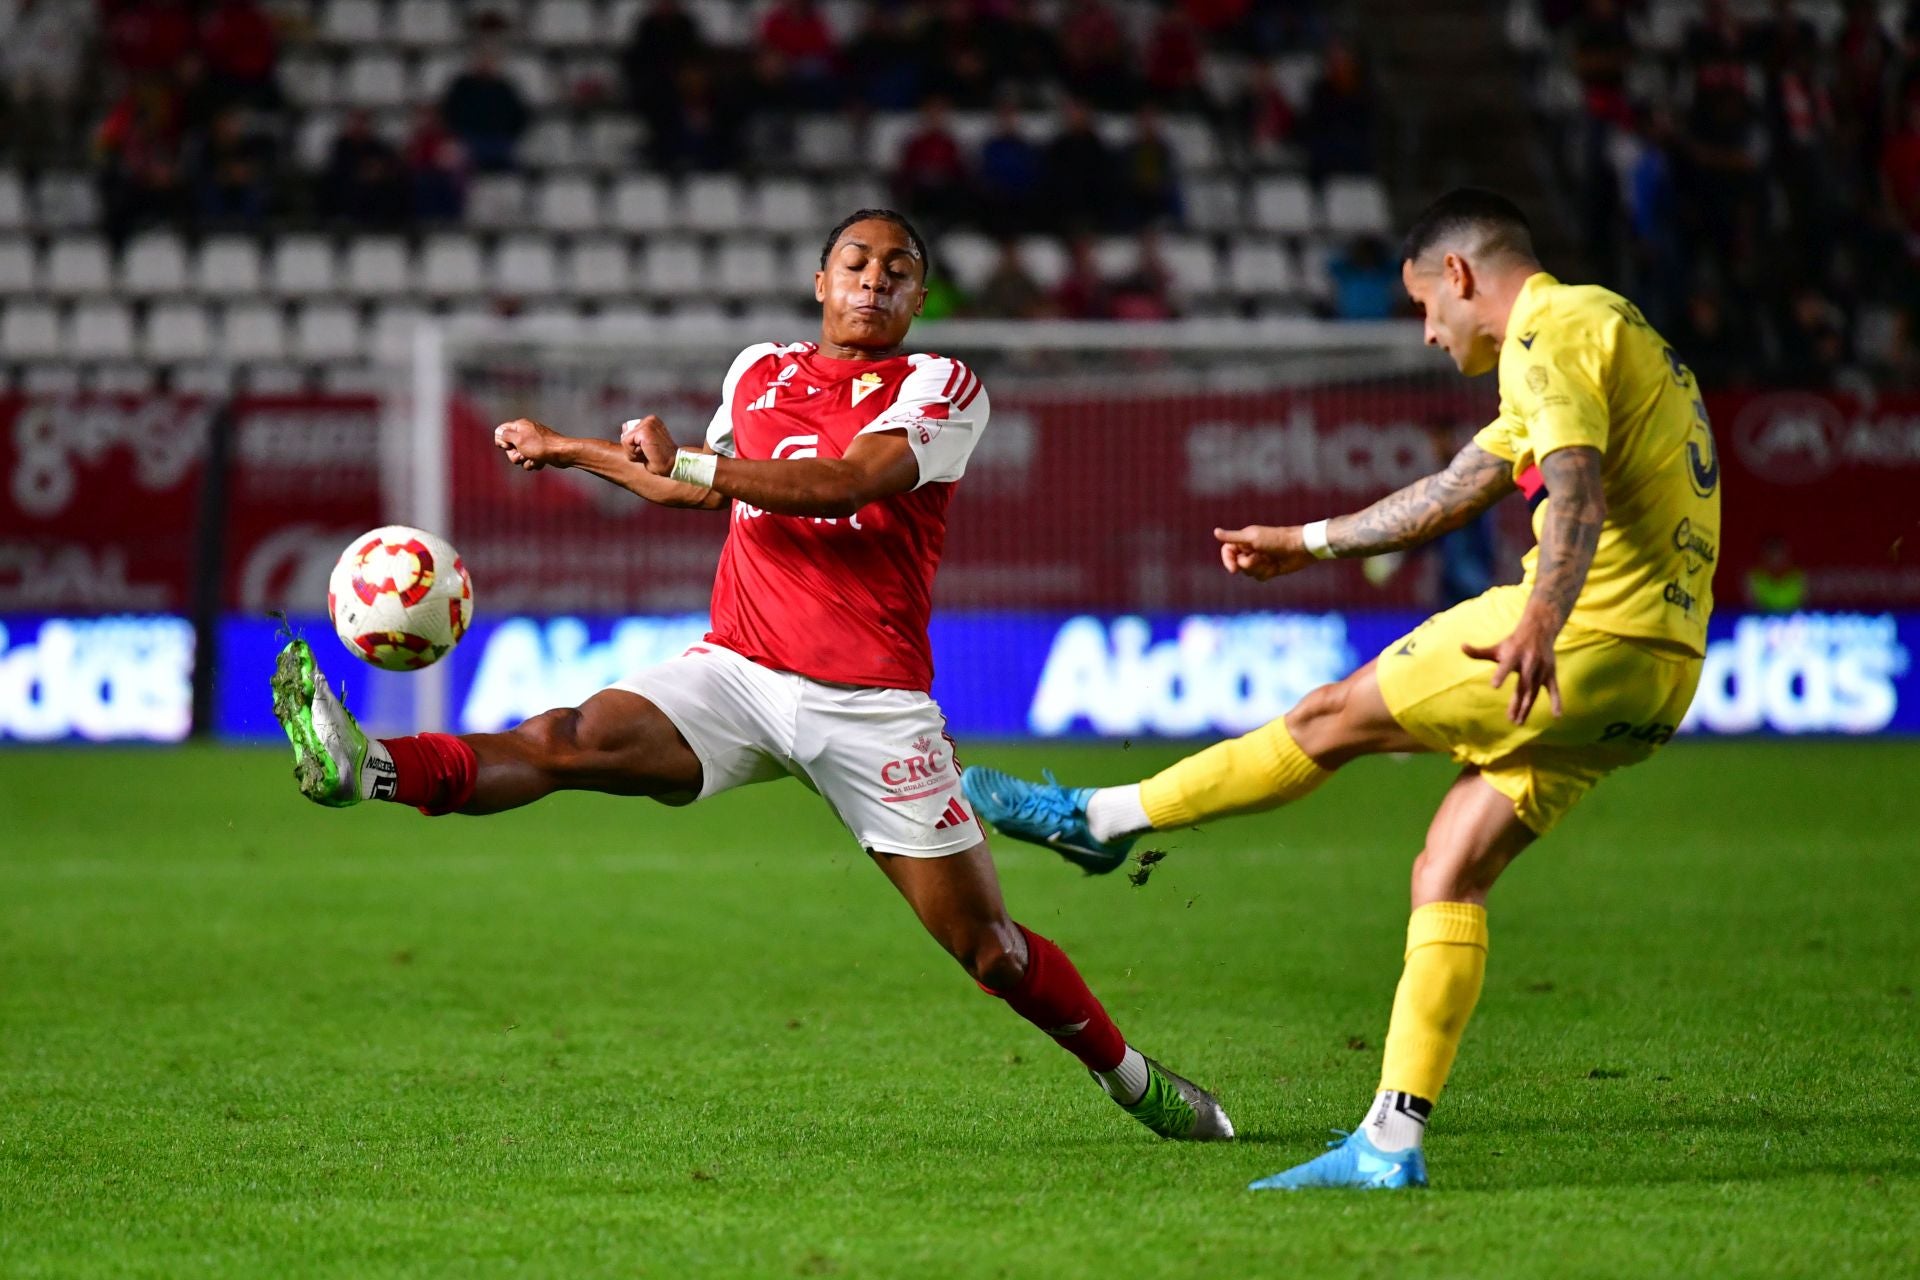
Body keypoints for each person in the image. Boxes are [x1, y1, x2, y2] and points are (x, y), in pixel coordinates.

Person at [270, 210, 1233, 1146]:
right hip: (737, 667)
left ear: (920, 297)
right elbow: (693, 482)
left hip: (871, 705)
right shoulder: (760, 369)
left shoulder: (942, 383)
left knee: (991, 950)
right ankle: (370, 767)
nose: (874, 279)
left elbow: (844, 485)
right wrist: (573, 449)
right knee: (566, 741)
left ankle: (1132, 1079)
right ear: (821, 282)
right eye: (855, 262)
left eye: (897, 269)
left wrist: (691, 462)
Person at [963, 189, 1722, 1189]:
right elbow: (1455, 489)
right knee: (1448, 873)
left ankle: (1098, 818)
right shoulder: (1612, 332)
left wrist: (1539, 619)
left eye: (1423, 306)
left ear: (1458, 275)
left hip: (1578, 635)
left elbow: (1573, 485)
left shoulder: (1550, 326)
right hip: (1657, 679)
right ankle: (1391, 1142)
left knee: (1329, 717)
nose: (1426, 330)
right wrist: (1307, 540)